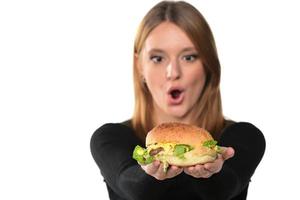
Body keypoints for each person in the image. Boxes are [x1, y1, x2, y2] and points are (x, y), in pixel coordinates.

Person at [90, 1, 265, 200]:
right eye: (157, 58)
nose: (173, 73)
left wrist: (211, 171)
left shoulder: (243, 137)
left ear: (208, 64)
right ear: (140, 66)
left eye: (188, 57)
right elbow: (133, 186)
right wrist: (151, 172)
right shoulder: (111, 138)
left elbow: (224, 188)